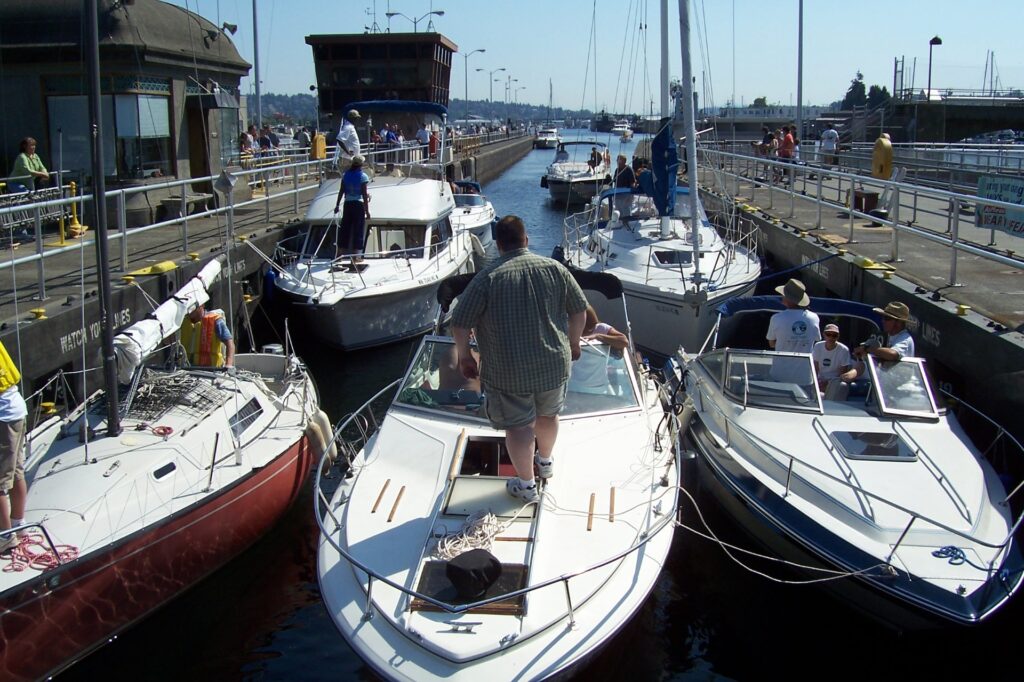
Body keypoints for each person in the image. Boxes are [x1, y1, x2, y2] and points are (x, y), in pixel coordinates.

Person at [452, 216, 588, 503]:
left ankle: (526, 485)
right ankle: (546, 463)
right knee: (548, 416)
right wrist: (573, 342)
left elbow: (460, 322)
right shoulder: (555, 269)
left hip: (508, 370)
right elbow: (579, 311)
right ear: (526, 240)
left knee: (519, 426)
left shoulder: (486, 278)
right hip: (553, 364)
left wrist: (465, 356)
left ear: (499, 245)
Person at [0, 340, 28, 554]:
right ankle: (18, 525)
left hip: (3, 418)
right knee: (17, 471)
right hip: (17, 409)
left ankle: (5, 537)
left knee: (0, 483)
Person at [766, 278, 820, 353]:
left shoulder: (776, 318)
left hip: (781, 363)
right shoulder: (814, 317)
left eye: (784, 294)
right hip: (805, 364)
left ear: (788, 298)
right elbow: (816, 339)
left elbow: (771, 343)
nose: (782, 296)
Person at [333, 155, 371, 258]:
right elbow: (363, 194)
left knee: (345, 228)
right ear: (361, 164)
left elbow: (341, 191)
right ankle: (355, 257)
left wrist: (337, 205)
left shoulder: (345, 175)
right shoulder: (363, 176)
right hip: (358, 204)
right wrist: (367, 211)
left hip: (347, 204)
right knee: (358, 229)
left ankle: (339, 253)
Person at [181, 302, 235, 368]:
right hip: (186, 369)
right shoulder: (182, 321)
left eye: (193, 307)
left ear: (202, 305)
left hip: (212, 370)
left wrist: (228, 365)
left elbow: (230, 343)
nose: (191, 310)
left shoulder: (216, 320)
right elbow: (167, 342)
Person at [812, 323, 856, 399]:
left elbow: (842, 373)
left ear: (838, 336)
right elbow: (815, 368)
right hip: (819, 381)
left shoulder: (843, 350)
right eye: (828, 334)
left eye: (834, 335)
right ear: (824, 335)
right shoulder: (818, 346)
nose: (831, 337)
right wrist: (815, 383)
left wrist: (828, 384)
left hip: (835, 382)